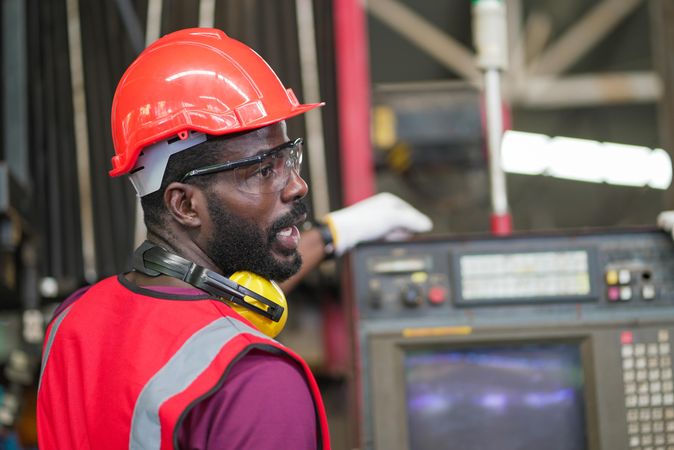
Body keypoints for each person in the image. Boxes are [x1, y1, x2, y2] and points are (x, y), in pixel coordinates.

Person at [36, 28, 431, 449]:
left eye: (289, 158)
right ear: (185, 206)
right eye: (264, 169)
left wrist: (334, 235)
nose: (298, 186)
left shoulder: (73, 322)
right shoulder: (257, 382)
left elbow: (229, 304)